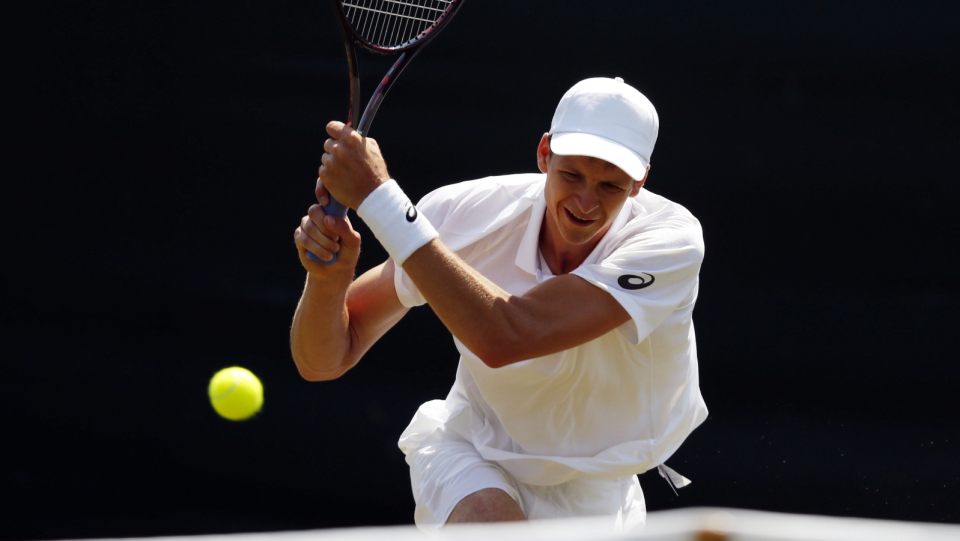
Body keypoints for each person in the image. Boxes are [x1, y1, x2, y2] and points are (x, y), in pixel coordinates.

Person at [290, 77, 707, 532]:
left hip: (600, 486)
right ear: (544, 153)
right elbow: (323, 360)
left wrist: (381, 200)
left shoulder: (668, 241)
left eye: (610, 185)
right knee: (490, 522)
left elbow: (508, 335)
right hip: (472, 448)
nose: (586, 202)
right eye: (571, 175)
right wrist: (328, 282)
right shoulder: (466, 213)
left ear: (638, 182)